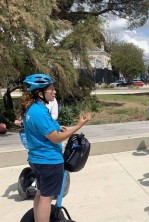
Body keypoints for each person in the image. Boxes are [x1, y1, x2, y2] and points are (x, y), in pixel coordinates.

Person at [21, 74, 91, 222]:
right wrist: (79, 126)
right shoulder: (39, 112)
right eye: (51, 89)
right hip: (49, 161)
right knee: (47, 198)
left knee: (40, 195)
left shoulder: (33, 109)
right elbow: (56, 138)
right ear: (40, 93)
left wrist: (56, 126)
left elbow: (40, 127)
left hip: (37, 159)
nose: (54, 92)